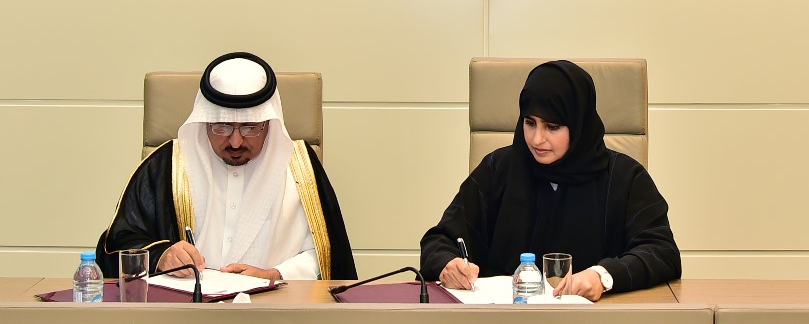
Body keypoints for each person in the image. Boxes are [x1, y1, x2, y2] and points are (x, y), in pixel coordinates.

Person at [420, 60, 681, 301]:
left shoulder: (625, 177)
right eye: (530, 123)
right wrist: (447, 264)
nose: (536, 139)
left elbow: (661, 251)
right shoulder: (498, 169)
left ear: (579, 125)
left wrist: (602, 276)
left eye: (552, 127)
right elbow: (439, 240)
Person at [96, 52, 356, 282]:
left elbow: (326, 255)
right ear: (204, 120)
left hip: (275, 311)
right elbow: (118, 244)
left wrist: (276, 275)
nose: (235, 141)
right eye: (221, 127)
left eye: (250, 127)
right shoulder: (167, 165)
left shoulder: (301, 168)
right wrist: (160, 256)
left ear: (270, 122)